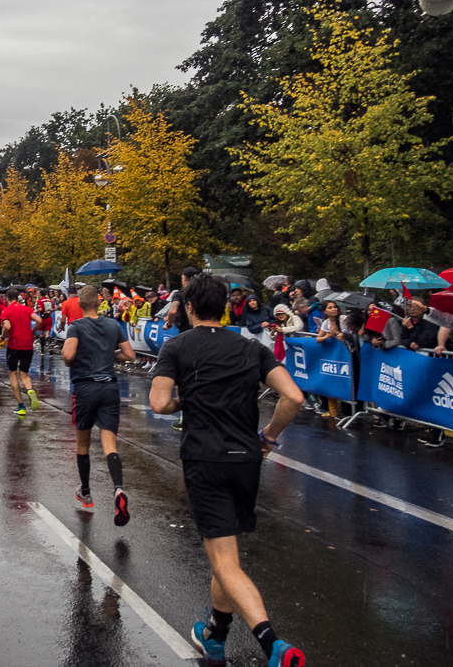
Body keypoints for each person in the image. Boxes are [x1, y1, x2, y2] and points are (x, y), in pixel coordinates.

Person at [148, 273, 306, 667]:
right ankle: (215, 635)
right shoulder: (251, 348)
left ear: (187, 308)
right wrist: (268, 437)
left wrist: (186, 400)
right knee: (227, 553)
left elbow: (159, 403)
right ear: (226, 307)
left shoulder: (177, 347)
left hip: (206, 460)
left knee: (224, 561)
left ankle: (273, 644)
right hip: (247, 461)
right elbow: (293, 396)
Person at [63, 285, 136, 519]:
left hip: (85, 388)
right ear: (99, 303)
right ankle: (118, 489)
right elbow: (130, 355)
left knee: (83, 444)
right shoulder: (113, 325)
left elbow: (67, 355)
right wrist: (108, 355)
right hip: (109, 388)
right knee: (110, 444)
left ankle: (86, 492)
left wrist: (78, 353)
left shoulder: (76, 326)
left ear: (80, 305)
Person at [1, 291, 41, 416]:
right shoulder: (27, 309)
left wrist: (2, 337)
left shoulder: (6, 311)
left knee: (13, 374)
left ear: (7, 298)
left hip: (14, 345)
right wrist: (32, 331)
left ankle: (21, 406)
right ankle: (29, 390)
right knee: (24, 375)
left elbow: (7, 326)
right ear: (18, 298)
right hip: (27, 345)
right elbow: (39, 320)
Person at [163, 266, 203, 332]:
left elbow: (172, 311)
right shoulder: (204, 294)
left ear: (184, 278)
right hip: (204, 332)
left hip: (186, 332)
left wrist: (169, 324)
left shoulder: (179, 294)